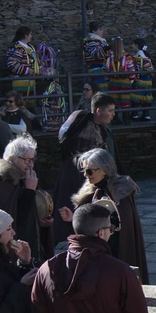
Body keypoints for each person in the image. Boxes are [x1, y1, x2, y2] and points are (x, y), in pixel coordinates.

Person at [63, 148, 149, 282]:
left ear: (104, 170)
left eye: (90, 171)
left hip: (116, 247)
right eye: (84, 170)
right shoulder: (91, 191)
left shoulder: (121, 191)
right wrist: (74, 217)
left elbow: (123, 223)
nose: (86, 175)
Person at [52, 92, 118, 242]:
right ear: (99, 111)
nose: (113, 114)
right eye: (110, 111)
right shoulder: (83, 132)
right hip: (79, 177)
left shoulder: (103, 129)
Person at [0, 135, 46, 259]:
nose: (31, 165)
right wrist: (29, 191)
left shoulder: (18, 179)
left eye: (32, 160)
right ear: (11, 159)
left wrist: (39, 219)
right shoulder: (2, 182)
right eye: (27, 160)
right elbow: (16, 218)